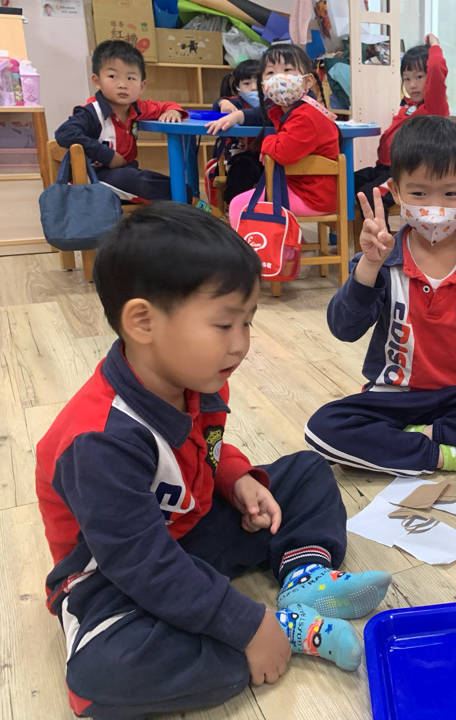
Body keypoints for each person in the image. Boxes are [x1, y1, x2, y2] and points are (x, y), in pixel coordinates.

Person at [34, 204, 391, 719]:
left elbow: (205, 448)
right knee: (103, 674)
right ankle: (286, 630)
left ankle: (305, 576)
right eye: (224, 324)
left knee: (307, 471)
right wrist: (248, 627)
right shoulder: (99, 441)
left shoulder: (198, 377)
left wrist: (237, 478)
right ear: (142, 322)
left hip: (187, 529)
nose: (241, 344)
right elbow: (142, 564)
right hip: (112, 578)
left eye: (247, 322)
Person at [306, 115, 456, 477]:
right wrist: (368, 266)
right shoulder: (381, 261)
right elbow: (344, 328)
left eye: (451, 194)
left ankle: (406, 442)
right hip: (396, 398)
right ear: (395, 190)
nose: (435, 208)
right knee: (322, 427)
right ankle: (454, 456)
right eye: (419, 194)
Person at [207, 44, 339, 229]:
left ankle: (247, 247)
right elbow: (262, 117)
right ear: (264, 85)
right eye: (270, 72)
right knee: (246, 196)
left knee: (240, 205)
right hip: (301, 189)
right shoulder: (290, 110)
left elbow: (282, 153)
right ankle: (272, 244)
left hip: (311, 196)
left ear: (308, 81)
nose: (279, 78)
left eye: (287, 70)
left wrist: (268, 141)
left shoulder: (305, 116)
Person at [55, 40, 186, 202]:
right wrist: (108, 155)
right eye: (112, 76)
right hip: (93, 177)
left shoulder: (138, 107)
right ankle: (185, 201)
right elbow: (65, 133)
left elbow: (165, 106)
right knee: (140, 183)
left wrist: (173, 111)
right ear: (97, 81)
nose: (123, 85)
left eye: (131, 78)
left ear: (142, 86)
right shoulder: (91, 112)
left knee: (170, 182)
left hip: (125, 172)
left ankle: (185, 198)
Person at [354, 33, 448, 211]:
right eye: (407, 78)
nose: (412, 85)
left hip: (408, 175)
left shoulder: (433, 108)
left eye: (419, 77)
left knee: (370, 194)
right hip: (385, 169)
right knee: (349, 182)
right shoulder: (407, 106)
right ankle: (357, 226)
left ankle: (380, 230)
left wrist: (435, 44)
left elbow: (436, 67)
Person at [210, 59, 264, 208]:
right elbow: (217, 108)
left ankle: (267, 209)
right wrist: (222, 102)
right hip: (240, 156)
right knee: (244, 167)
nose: (254, 88)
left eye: (259, 82)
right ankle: (233, 204)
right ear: (238, 88)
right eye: (246, 83)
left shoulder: (274, 103)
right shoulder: (236, 103)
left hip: (268, 156)